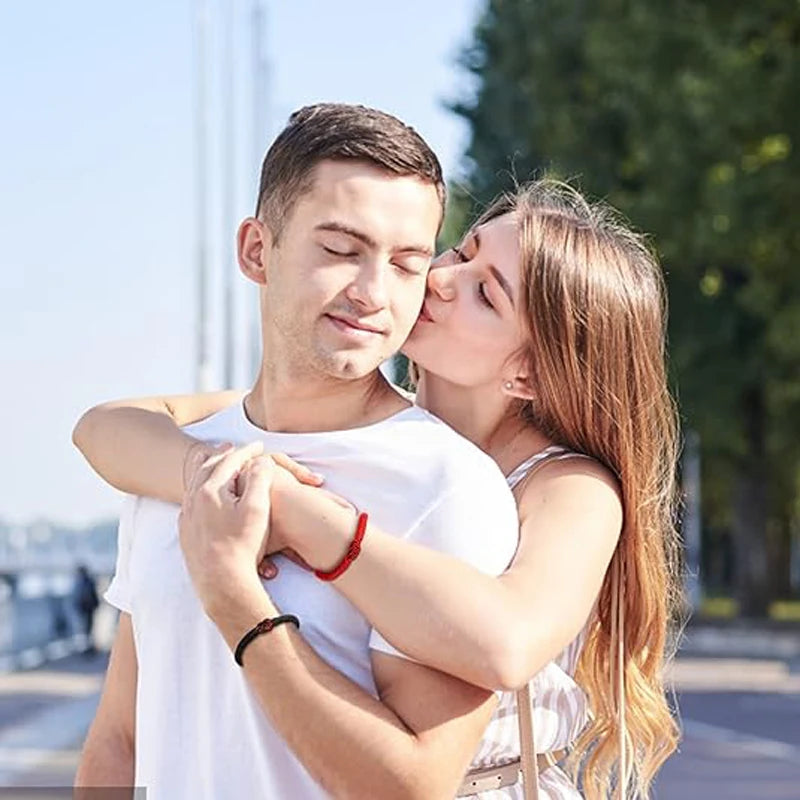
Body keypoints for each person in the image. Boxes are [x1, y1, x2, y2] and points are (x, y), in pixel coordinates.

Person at [75, 176, 683, 799]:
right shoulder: (342, 434)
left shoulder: (568, 486)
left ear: (527, 371)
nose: (442, 279)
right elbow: (103, 427)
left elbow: (506, 643)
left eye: (485, 296)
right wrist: (210, 469)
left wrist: (292, 512)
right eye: (463, 251)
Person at [73, 103, 523, 800]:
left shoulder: (447, 485)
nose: (374, 293)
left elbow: (413, 787)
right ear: (258, 250)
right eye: (341, 251)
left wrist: (235, 597)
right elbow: (120, 741)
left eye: (407, 265)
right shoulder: (174, 463)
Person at [72, 564, 99, 656]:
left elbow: (76, 597)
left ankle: (87, 648)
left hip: (84, 610)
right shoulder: (90, 581)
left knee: (85, 629)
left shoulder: (79, 583)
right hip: (88, 609)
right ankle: (88, 648)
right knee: (88, 629)